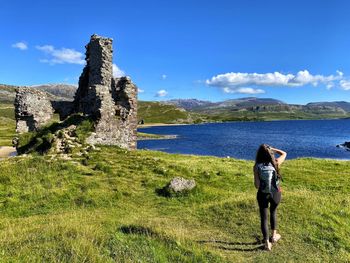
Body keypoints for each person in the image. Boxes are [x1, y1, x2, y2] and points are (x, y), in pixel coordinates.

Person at [253, 144, 287, 251]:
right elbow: (284, 153)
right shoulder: (276, 162)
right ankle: (274, 236)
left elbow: (257, 185)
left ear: (259, 154)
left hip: (262, 194)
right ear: (270, 153)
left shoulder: (256, 166)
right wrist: (272, 149)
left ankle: (267, 243)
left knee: (264, 217)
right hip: (275, 193)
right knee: (273, 212)